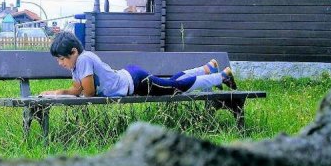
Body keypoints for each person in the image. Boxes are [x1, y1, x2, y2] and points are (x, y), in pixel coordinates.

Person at [40, 32, 236, 97]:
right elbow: (76, 91)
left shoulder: (83, 60)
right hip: (132, 76)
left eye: (62, 59)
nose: (60, 63)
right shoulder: (77, 65)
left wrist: (77, 89)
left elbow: (88, 93)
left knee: (175, 87)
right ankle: (207, 69)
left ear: (73, 52)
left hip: (136, 82)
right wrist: (57, 92)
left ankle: (222, 76)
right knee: (170, 82)